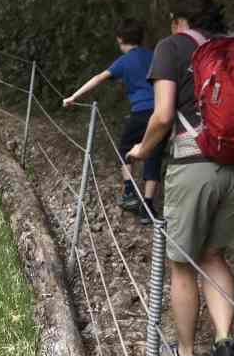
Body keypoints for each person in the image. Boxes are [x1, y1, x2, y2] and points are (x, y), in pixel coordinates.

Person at [126, 0, 234, 356]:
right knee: (213, 254)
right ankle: (224, 342)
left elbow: (161, 116)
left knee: (182, 264)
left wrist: (142, 151)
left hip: (197, 161)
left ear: (179, 21)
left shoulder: (171, 47)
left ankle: (186, 355)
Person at [64, 18, 165, 224]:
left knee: (125, 147)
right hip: (160, 111)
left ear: (120, 40)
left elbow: (98, 78)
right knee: (154, 154)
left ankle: (129, 192)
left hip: (139, 112)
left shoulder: (124, 61)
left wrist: (73, 97)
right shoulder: (154, 56)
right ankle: (147, 207)